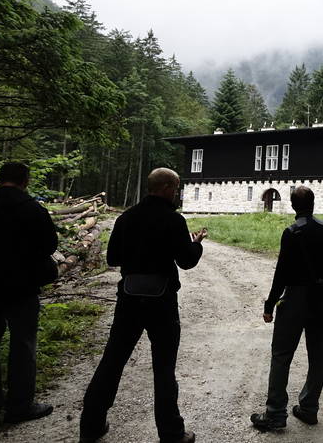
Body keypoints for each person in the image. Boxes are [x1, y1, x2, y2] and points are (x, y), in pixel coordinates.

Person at [79, 168, 206, 443]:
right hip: (162, 303)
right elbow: (186, 261)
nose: (177, 194)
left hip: (129, 299)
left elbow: (113, 258)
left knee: (113, 361)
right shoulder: (173, 220)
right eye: (176, 188)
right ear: (166, 188)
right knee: (164, 369)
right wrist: (196, 245)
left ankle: (91, 425)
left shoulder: (126, 218)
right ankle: (171, 433)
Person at [0, 162, 58, 436]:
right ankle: (19, 406)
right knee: (23, 347)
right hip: (22, 290)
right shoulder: (33, 210)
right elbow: (50, 245)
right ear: (25, 181)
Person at [250, 186, 323, 431]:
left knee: (281, 355)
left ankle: (275, 414)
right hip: (320, 299)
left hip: (295, 298)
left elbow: (281, 274)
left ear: (292, 206)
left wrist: (270, 304)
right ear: (313, 203)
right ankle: (309, 409)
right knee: (316, 354)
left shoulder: (291, 232)